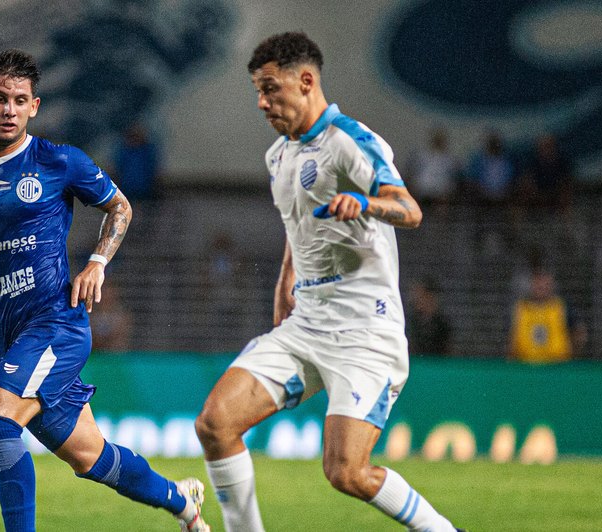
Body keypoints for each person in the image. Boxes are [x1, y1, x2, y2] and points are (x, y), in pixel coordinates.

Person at [0, 50, 208, 532]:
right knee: (91, 457)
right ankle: (184, 505)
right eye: (0, 98)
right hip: (7, 337)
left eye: (20, 100)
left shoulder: (58, 161)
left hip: (56, 325)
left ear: (34, 107)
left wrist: (98, 262)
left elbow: (120, 207)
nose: (9, 109)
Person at [193, 33, 462, 532]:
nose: (261, 102)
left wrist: (365, 203)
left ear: (305, 81)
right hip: (307, 324)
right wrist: (285, 280)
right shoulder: (279, 156)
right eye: (257, 91)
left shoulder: (349, 141)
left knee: (346, 472)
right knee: (215, 424)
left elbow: (410, 209)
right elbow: (298, 225)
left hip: (365, 333)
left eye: (270, 89)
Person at [508, 269, 580, 363]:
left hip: (558, 364)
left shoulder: (561, 306)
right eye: (538, 285)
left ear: (551, 286)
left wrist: (572, 355)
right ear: (532, 286)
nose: (541, 288)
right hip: (526, 363)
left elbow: (578, 332)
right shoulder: (520, 307)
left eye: (544, 285)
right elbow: (512, 336)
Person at [405, 277, 453, 357]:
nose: (415, 300)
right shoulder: (412, 323)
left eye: (420, 296)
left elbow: (448, 350)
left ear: (429, 296)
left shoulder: (442, 324)